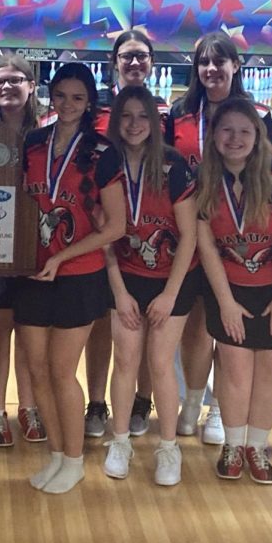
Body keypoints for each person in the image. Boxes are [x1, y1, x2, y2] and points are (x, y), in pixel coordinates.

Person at [14, 62, 126, 494]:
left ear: (89, 101)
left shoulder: (102, 152)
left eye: (77, 98)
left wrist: (62, 257)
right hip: (31, 270)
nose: (68, 105)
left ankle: (76, 461)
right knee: (37, 370)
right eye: (61, 96)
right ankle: (57, 455)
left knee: (61, 371)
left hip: (78, 274)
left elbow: (114, 226)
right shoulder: (34, 142)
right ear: (50, 95)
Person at [165, 30, 272, 446]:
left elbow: (268, 172)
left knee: (229, 330)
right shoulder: (178, 113)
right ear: (196, 70)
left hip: (236, 238)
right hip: (188, 234)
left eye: (220, 61)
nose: (212, 69)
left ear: (236, 66)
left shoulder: (258, 116)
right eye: (204, 63)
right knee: (197, 326)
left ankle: (218, 409)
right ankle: (192, 402)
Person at [196, 97, 272, 485]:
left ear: (258, 136)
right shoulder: (206, 180)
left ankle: (256, 447)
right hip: (230, 289)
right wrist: (226, 302)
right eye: (226, 130)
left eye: (245, 131)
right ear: (213, 136)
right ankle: (233, 444)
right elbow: (207, 246)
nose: (235, 138)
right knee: (234, 371)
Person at [101, 86, 198, 487]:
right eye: (127, 116)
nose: (135, 124)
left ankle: (168, 447)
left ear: (156, 124)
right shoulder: (109, 163)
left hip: (172, 281)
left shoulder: (173, 166)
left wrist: (170, 294)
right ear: (116, 121)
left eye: (143, 117)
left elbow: (189, 236)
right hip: (125, 276)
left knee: (160, 363)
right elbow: (107, 235)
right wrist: (120, 292)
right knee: (125, 361)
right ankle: (120, 441)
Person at [85, 29, 169, 440]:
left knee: (150, 327)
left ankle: (142, 399)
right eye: (127, 56)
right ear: (114, 62)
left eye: (142, 56)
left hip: (149, 241)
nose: (134, 63)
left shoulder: (164, 113)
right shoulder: (97, 111)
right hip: (103, 235)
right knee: (101, 323)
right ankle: (97, 403)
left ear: (151, 62)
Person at [0, 54, 46, 447]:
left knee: (30, 332)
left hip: (37, 248)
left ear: (32, 85)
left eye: (16, 80)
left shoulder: (48, 134)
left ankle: (29, 405)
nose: (7, 87)